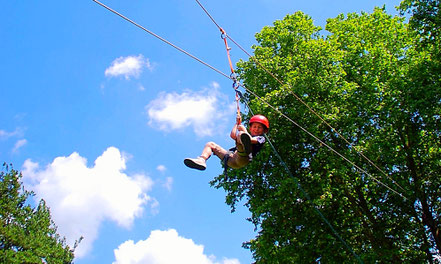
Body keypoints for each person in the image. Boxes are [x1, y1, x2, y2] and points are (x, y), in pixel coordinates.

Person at [184, 114, 269, 171]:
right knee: (210, 144)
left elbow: (251, 140)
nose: (256, 129)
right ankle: (201, 160)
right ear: (251, 128)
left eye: (259, 128)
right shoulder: (244, 135)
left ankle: (244, 149)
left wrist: (243, 130)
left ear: (263, 131)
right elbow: (232, 135)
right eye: (254, 127)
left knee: (242, 136)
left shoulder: (261, 138)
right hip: (230, 159)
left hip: (242, 158)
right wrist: (237, 123)